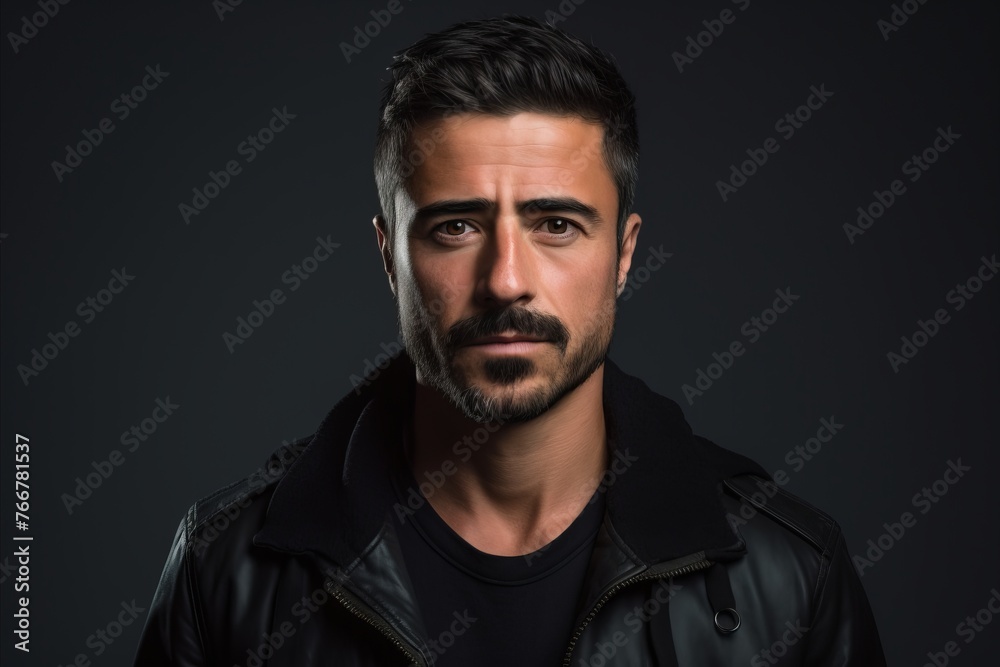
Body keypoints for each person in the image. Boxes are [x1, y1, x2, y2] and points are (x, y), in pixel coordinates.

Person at [134, 15, 886, 666]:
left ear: (624, 255)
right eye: (455, 226)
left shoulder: (792, 576)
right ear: (389, 255)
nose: (505, 280)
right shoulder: (223, 568)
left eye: (556, 224)